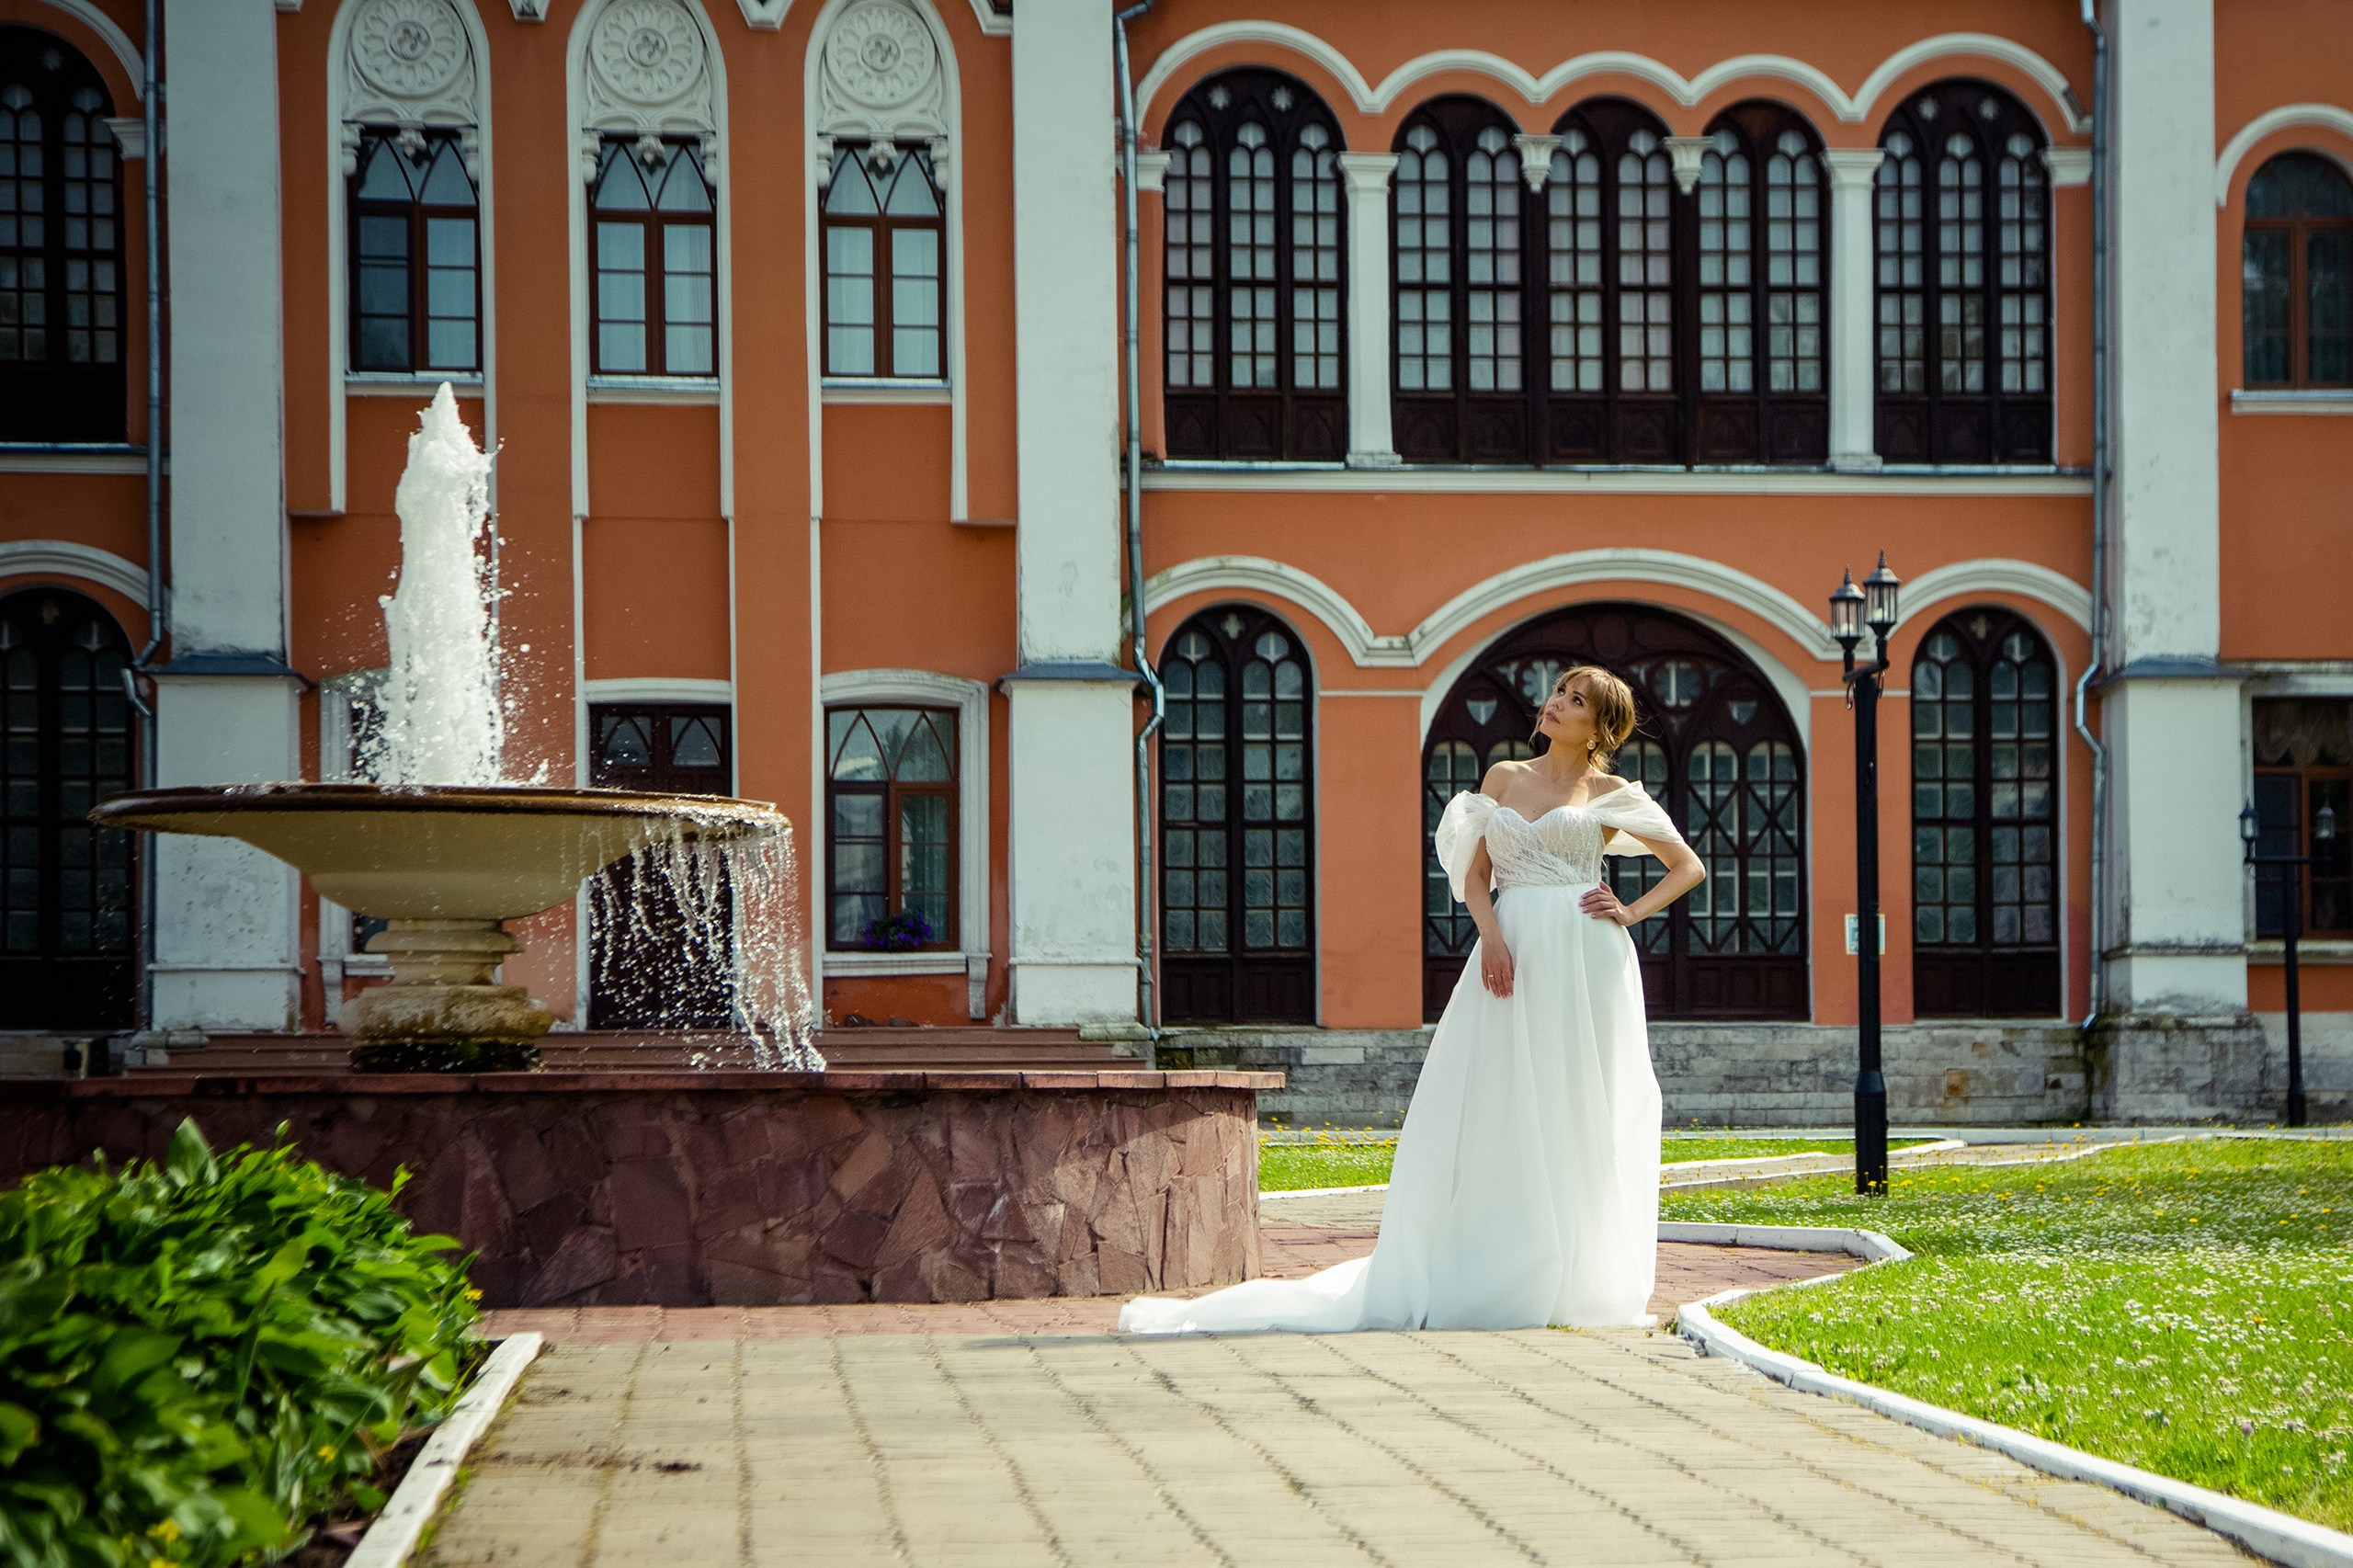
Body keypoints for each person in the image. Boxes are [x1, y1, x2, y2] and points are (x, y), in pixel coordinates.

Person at [1120, 665, 1707, 1334]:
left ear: (1600, 725)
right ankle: (1497, 1255)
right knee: (1495, 1097)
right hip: (1510, 944)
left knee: (1578, 1100)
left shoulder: (1607, 792)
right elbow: (1477, 876)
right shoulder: (1505, 778)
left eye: (1575, 700)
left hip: (1586, 959)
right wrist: (1491, 938)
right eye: (1558, 692)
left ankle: (1577, 1274)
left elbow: (1688, 865)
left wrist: (1630, 911)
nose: (1555, 703)